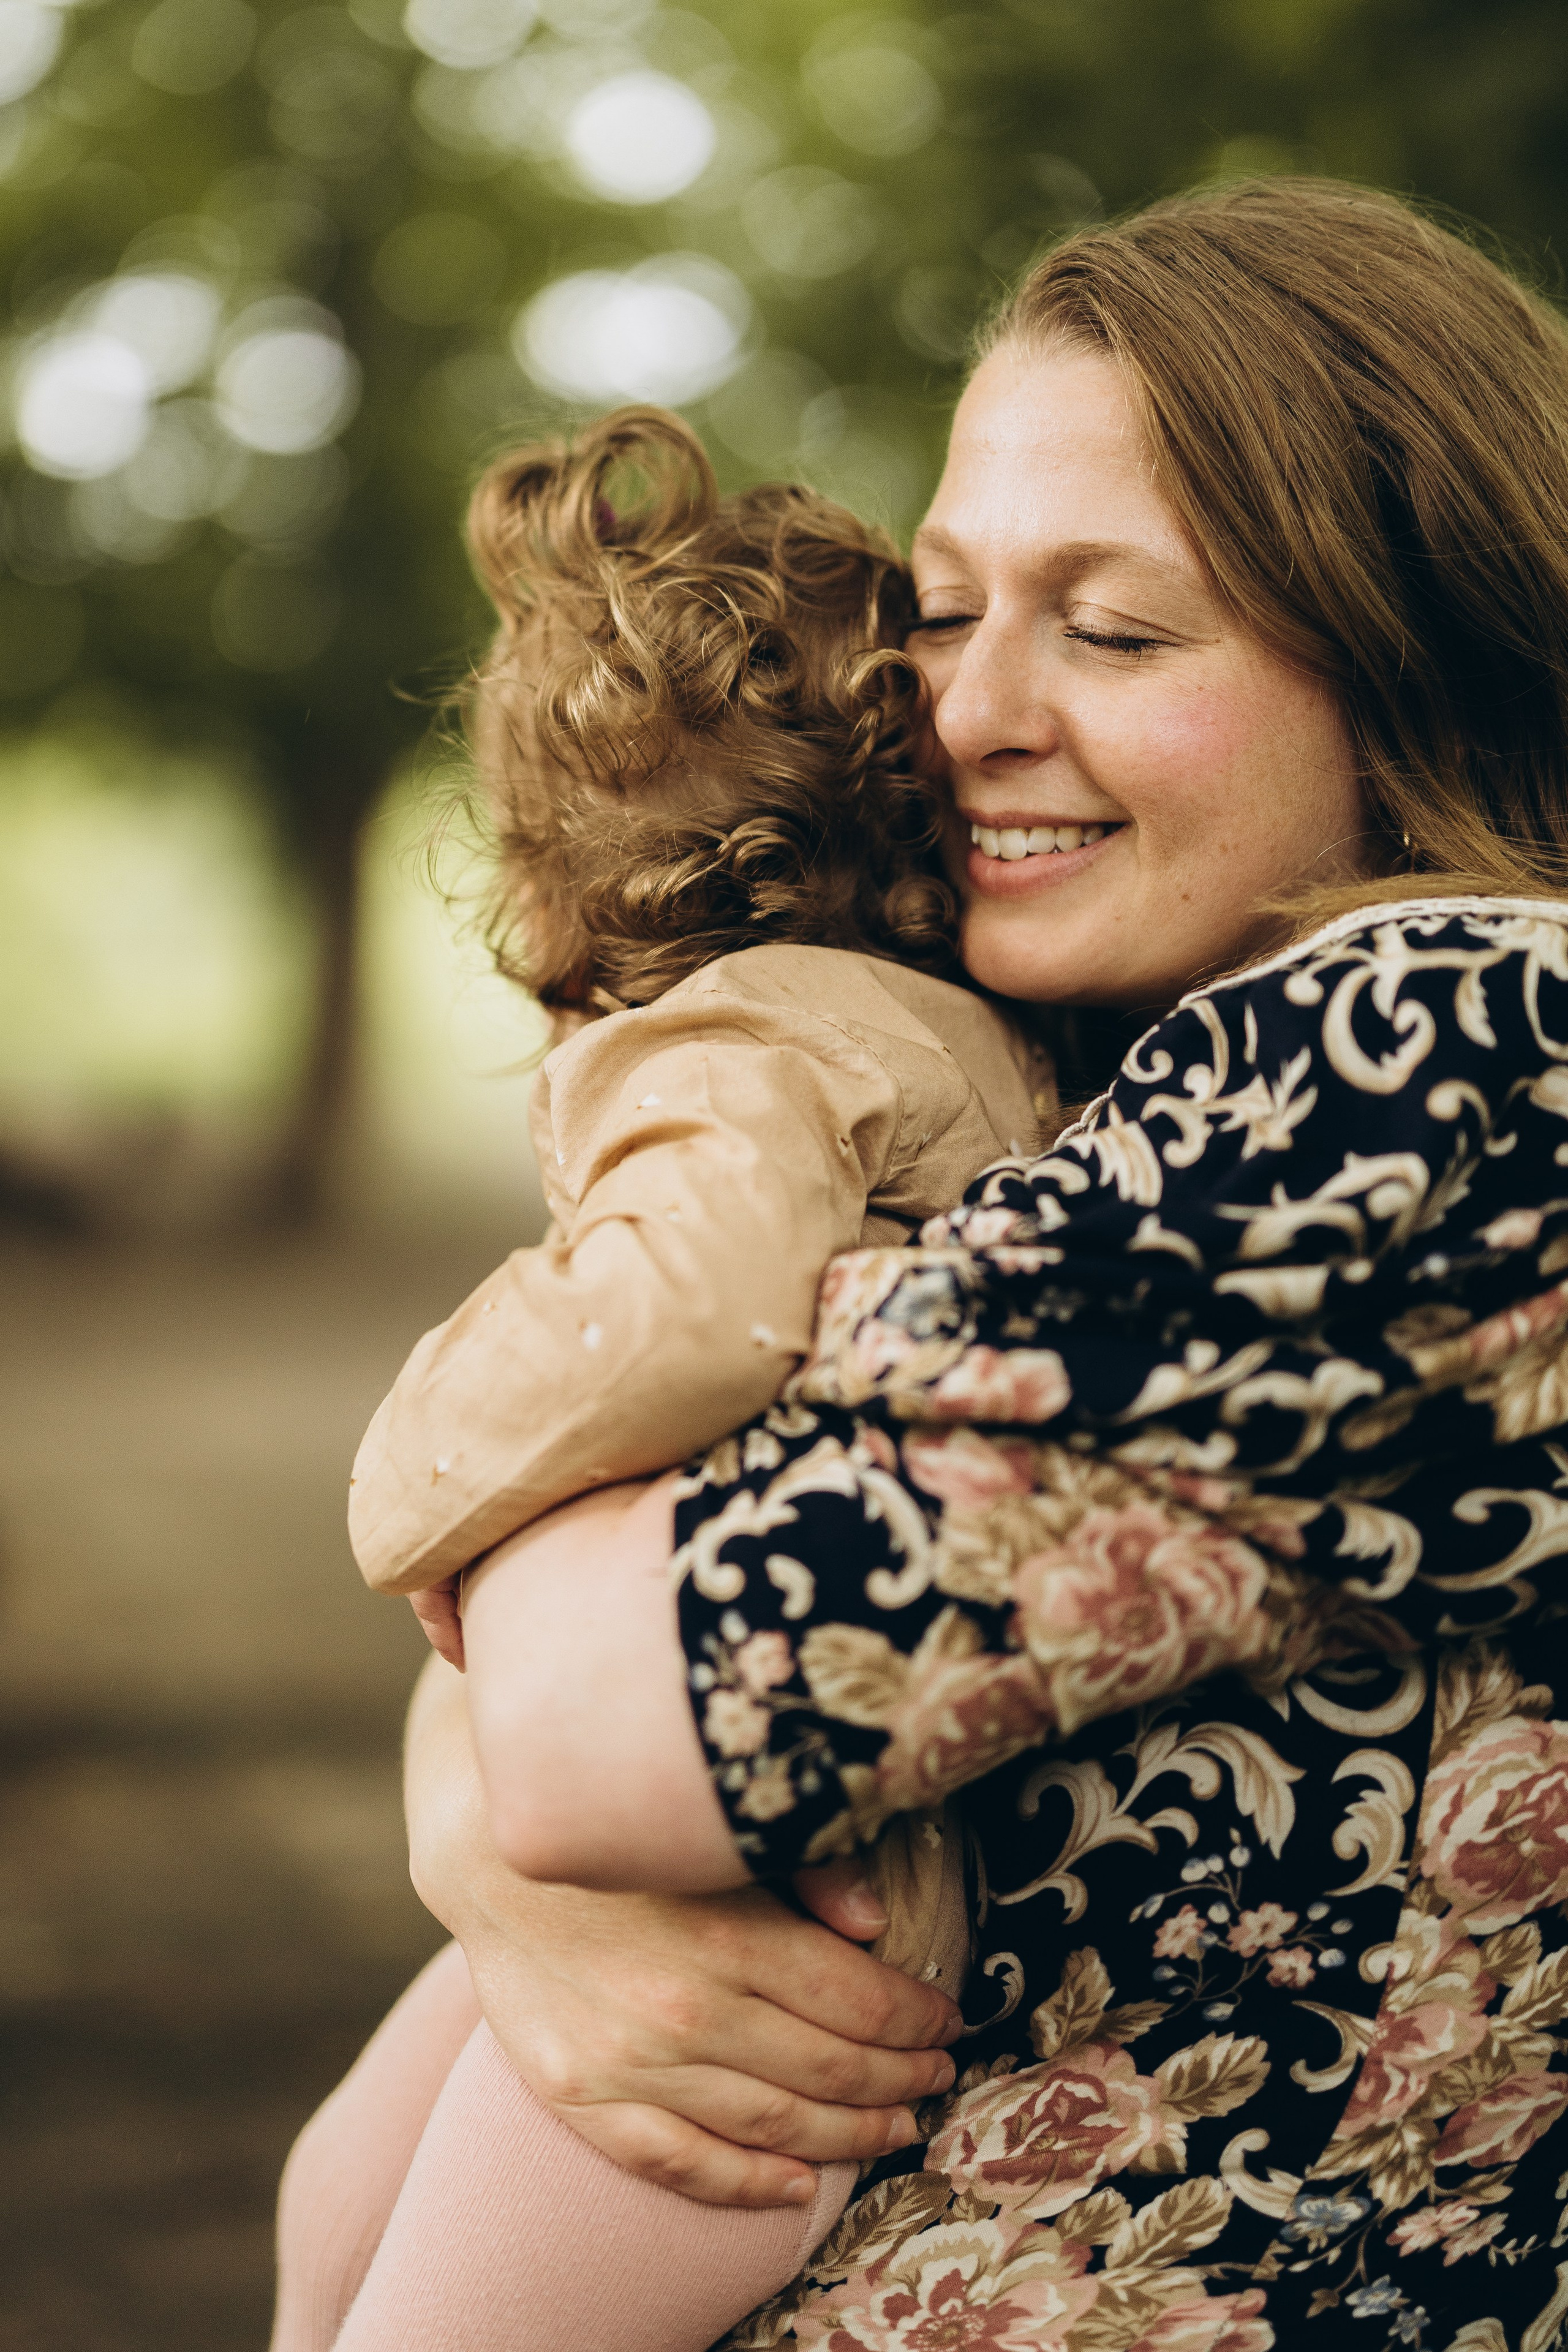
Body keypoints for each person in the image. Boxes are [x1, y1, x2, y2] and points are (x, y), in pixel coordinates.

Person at [383, 178, 1568, 2351]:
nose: (965, 711)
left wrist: (503, 1808)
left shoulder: (1458, 1051)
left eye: (1115, 632)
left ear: (1428, 666)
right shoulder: (1115, 1054)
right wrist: (491, 1875)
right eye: (942, 610)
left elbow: (597, 1711)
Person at [273, 408, 1049, 2351]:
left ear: (554, 884)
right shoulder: (956, 1037)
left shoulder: (732, 1047)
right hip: (712, 1851)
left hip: (764, 1914)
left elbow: (691, 1311)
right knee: (329, 2196)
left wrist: (412, 1460)